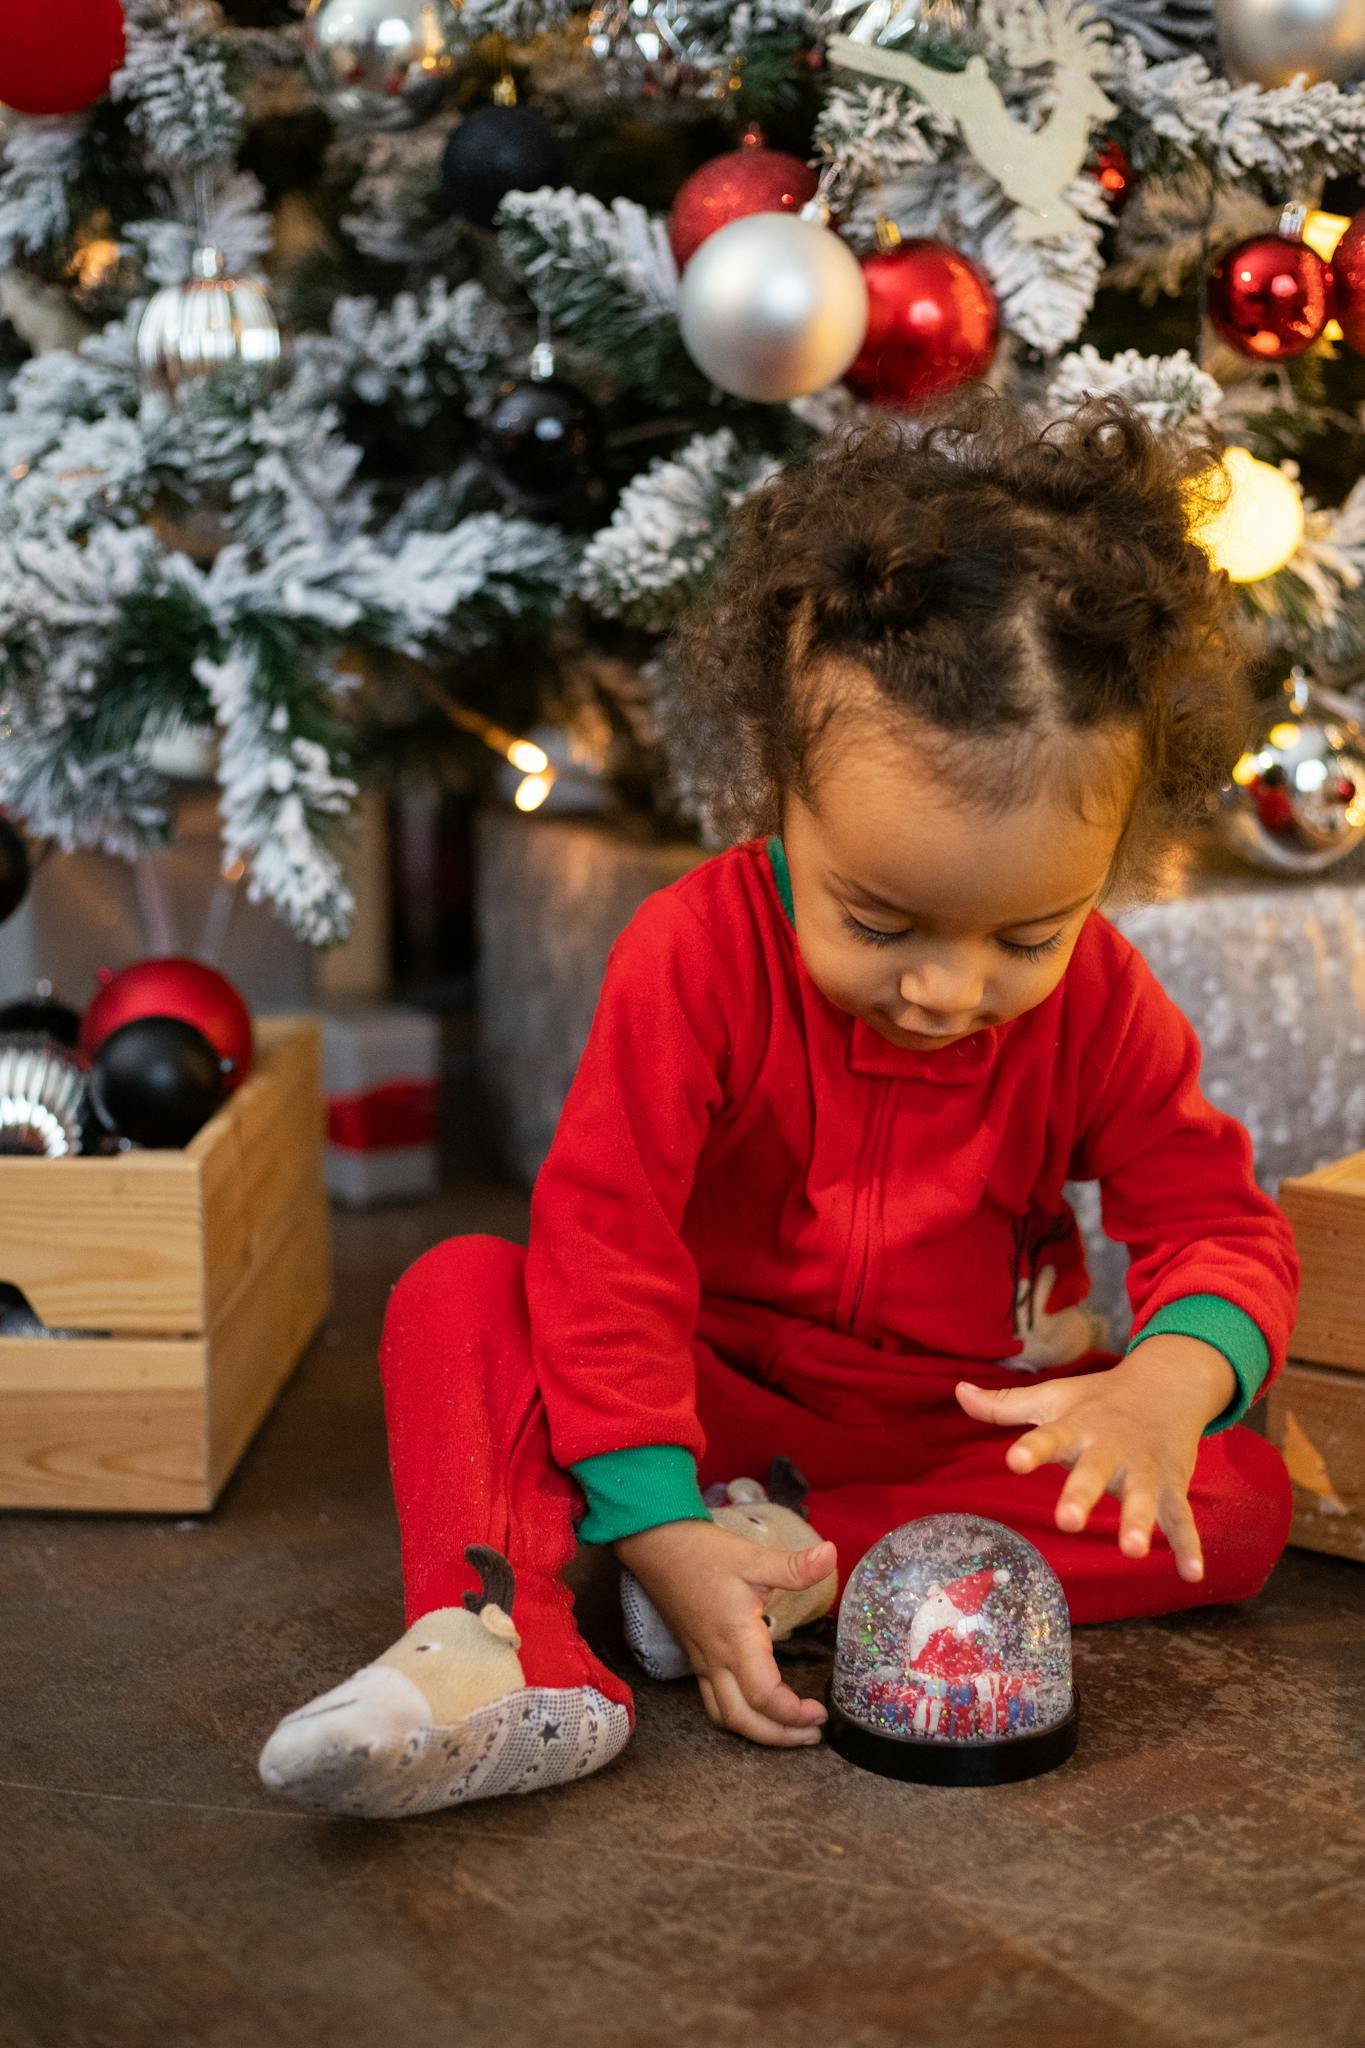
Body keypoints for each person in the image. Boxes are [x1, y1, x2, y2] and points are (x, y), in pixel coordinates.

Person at [259, 394, 1297, 1819]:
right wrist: (658, 1501)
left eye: (1024, 935)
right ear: (777, 794)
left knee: (1232, 1498)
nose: (946, 990)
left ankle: (773, 1571)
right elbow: (606, 1249)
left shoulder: (1103, 1000)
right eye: (881, 920)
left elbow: (1214, 1224)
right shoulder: (693, 953)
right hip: (701, 1402)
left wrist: (1163, 1385)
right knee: (460, 1293)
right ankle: (512, 1644)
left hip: (941, 1438)